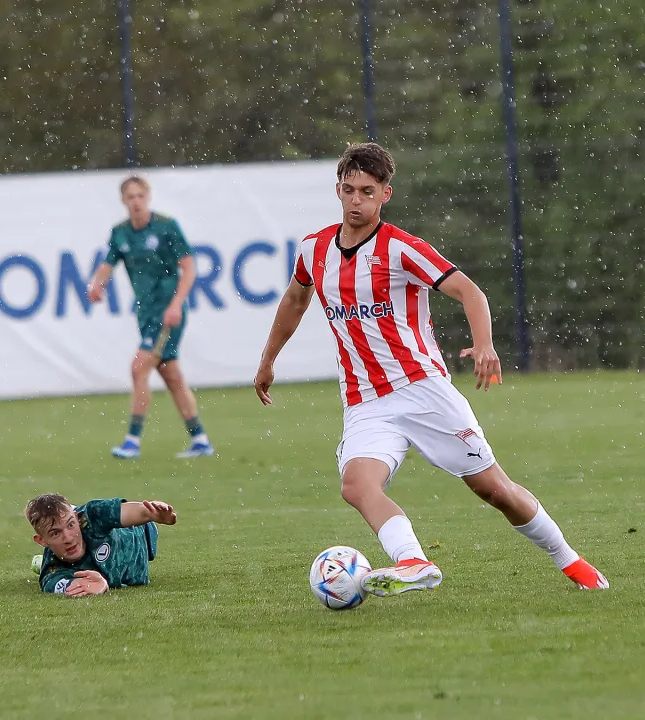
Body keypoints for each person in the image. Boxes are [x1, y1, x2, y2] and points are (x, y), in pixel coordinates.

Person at [253, 142, 608, 595]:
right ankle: (413, 562)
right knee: (357, 486)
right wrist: (268, 360)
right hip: (365, 399)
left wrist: (484, 346)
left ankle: (570, 561)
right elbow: (295, 300)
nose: (356, 200)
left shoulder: (403, 249)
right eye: (348, 189)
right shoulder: (313, 250)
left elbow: (470, 292)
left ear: (386, 194)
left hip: (423, 389)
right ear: (338, 191)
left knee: (495, 490)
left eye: (367, 190)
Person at [87, 175, 214, 460]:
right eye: (130, 197)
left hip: (167, 311)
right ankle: (200, 438)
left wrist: (176, 305)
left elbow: (189, 268)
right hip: (145, 313)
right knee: (171, 376)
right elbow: (108, 264)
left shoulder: (166, 227)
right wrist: (96, 285)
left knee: (138, 367)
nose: (136, 202)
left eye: (140, 196)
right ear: (123, 201)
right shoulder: (120, 232)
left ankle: (132, 440)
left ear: (148, 196)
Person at [26, 493, 177, 596]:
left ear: (77, 518)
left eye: (71, 525)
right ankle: (45, 560)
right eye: (55, 533)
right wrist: (99, 584)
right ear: (42, 541)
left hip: (142, 532)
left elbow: (132, 511)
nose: (68, 538)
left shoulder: (92, 515)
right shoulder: (51, 575)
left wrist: (153, 514)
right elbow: (69, 585)